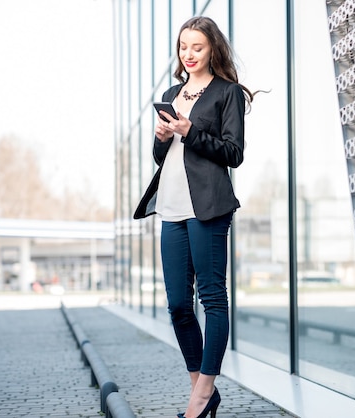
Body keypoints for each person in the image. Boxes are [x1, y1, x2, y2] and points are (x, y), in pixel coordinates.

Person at [133, 15, 253, 418]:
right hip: (170, 207)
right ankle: (201, 390)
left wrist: (189, 131)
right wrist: (162, 137)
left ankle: (201, 397)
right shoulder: (172, 92)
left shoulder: (227, 93)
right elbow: (160, 159)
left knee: (213, 300)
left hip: (208, 208)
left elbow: (233, 152)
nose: (188, 54)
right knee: (179, 307)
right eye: (184, 46)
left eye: (197, 47)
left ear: (212, 49)